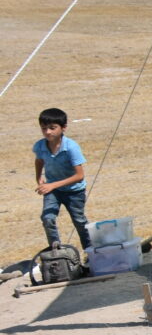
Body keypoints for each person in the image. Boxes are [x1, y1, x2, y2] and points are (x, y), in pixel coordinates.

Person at [33, 107, 91, 252]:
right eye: (44, 128)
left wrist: (52, 185)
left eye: (52, 128)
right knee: (47, 218)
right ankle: (56, 251)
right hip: (53, 190)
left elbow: (79, 176)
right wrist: (39, 177)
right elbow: (39, 160)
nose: (48, 132)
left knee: (79, 222)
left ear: (63, 127)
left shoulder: (71, 147)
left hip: (74, 192)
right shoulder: (40, 145)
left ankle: (91, 252)